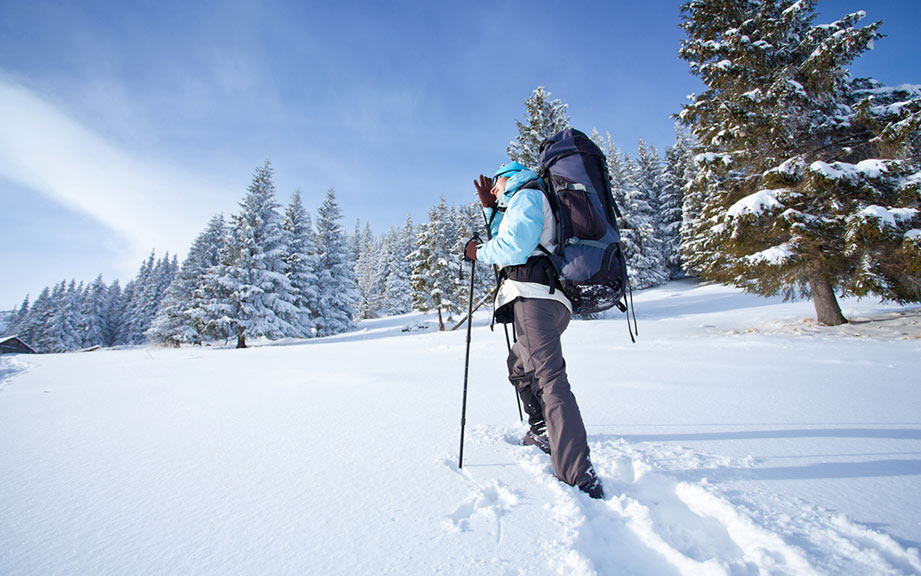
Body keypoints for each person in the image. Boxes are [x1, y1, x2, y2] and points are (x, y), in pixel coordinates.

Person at [464, 161, 603, 499]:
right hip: (545, 301)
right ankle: (542, 430)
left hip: (535, 298)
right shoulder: (526, 201)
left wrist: (476, 252)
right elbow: (510, 235)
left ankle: (577, 473)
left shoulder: (528, 195)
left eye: (496, 183)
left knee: (550, 378)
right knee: (519, 367)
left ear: (510, 176)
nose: (493, 190)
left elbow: (513, 248)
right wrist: (489, 210)